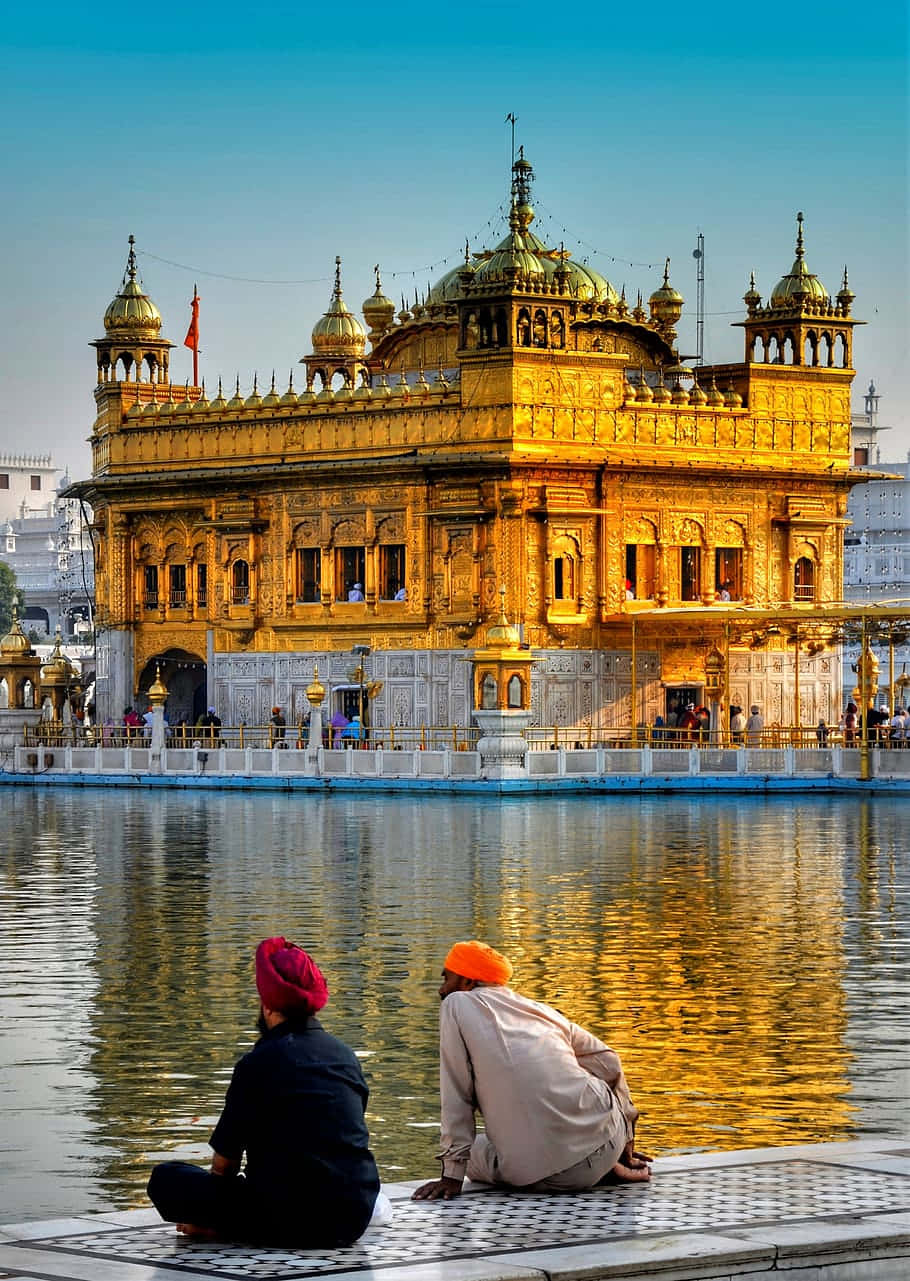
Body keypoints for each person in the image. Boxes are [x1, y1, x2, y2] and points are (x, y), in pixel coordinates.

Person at [147, 937, 381, 1246]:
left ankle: (221, 1230)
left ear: (268, 1005)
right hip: (352, 1216)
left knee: (166, 1179)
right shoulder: (345, 1056)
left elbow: (224, 1167)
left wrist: (214, 1211)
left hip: (283, 1218)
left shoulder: (257, 1062)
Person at [412, 940, 649, 1201]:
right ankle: (606, 1165)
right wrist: (626, 1138)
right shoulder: (540, 1010)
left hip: (539, 1176)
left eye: (446, 978)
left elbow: (457, 1095)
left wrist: (452, 1176)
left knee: (476, 1152)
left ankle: (585, 1167)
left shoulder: (456, 1004)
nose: (441, 989)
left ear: (467, 982)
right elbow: (609, 1062)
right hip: (607, 1144)